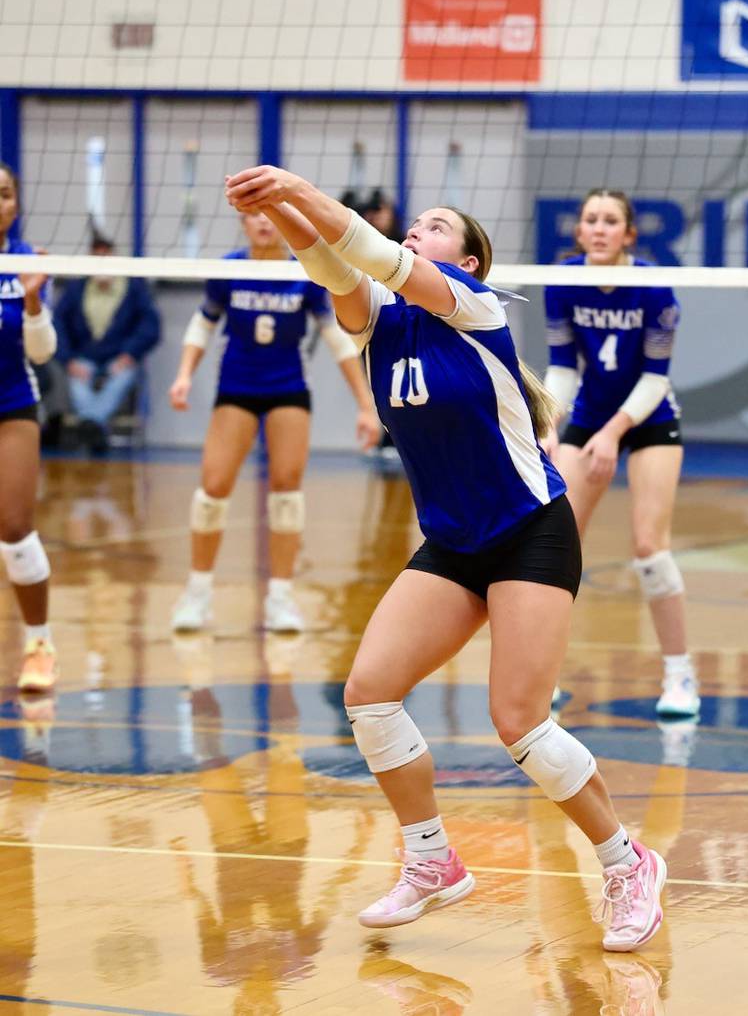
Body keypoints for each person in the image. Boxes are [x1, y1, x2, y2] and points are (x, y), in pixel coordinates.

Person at [224, 162, 668, 953]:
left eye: (433, 225)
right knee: (369, 694)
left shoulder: (475, 308)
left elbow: (365, 245)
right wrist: (278, 207)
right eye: (415, 221)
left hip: (529, 527)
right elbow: (330, 259)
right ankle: (432, 862)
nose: (413, 230)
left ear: (461, 262)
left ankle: (628, 863)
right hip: (455, 541)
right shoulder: (378, 323)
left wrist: (293, 185)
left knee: (520, 724)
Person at [169, 211, 380, 634]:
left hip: (288, 389)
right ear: (242, 224)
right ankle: (197, 592)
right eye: (253, 216)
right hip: (237, 388)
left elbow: (338, 339)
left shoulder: (305, 272)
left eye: (272, 217)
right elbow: (204, 323)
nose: (264, 224)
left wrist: (365, 404)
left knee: (287, 491)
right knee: (212, 489)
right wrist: (184, 375)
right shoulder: (228, 269)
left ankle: (280, 599)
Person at [541, 189, 699, 719]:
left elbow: (657, 379)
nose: (601, 228)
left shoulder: (654, 286)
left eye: (612, 221)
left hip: (649, 416)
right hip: (588, 414)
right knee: (554, 544)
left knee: (650, 547)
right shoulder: (563, 281)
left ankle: (679, 676)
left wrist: (612, 434)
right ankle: (544, 677)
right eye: (591, 220)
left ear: (629, 234)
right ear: (580, 232)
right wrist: (547, 421)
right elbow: (563, 367)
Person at [0, 162, 59, 694]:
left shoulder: (26, 264)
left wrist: (35, 297)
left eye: (3, 195)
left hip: (12, 404)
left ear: (15, 204)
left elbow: (42, 352)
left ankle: (39, 645)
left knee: (15, 527)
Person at [53, 232, 161, 455]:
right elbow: (57, 325)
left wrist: (129, 354)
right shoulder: (76, 289)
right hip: (85, 357)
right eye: (96, 256)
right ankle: (96, 428)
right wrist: (69, 359)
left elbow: (151, 326)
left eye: (106, 256)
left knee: (121, 378)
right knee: (78, 382)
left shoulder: (133, 288)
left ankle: (90, 425)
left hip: (119, 357)